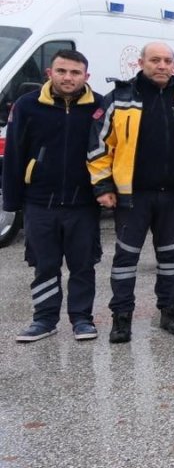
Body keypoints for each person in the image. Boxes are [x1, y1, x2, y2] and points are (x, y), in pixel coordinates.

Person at [89, 42, 174, 343]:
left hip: (173, 195)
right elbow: (99, 146)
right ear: (141, 63)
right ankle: (121, 316)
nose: (162, 66)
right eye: (155, 60)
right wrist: (103, 186)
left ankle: (170, 311)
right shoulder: (120, 97)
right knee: (126, 259)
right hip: (132, 196)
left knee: (170, 258)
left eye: (167, 61)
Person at [6, 50, 104, 342]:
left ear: (86, 76)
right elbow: (14, 153)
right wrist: (11, 201)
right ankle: (44, 320)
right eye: (62, 71)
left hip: (83, 204)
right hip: (39, 202)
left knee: (83, 265)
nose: (68, 77)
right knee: (44, 265)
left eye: (75, 72)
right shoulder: (27, 105)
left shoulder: (99, 106)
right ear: (50, 73)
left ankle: (82, 319)